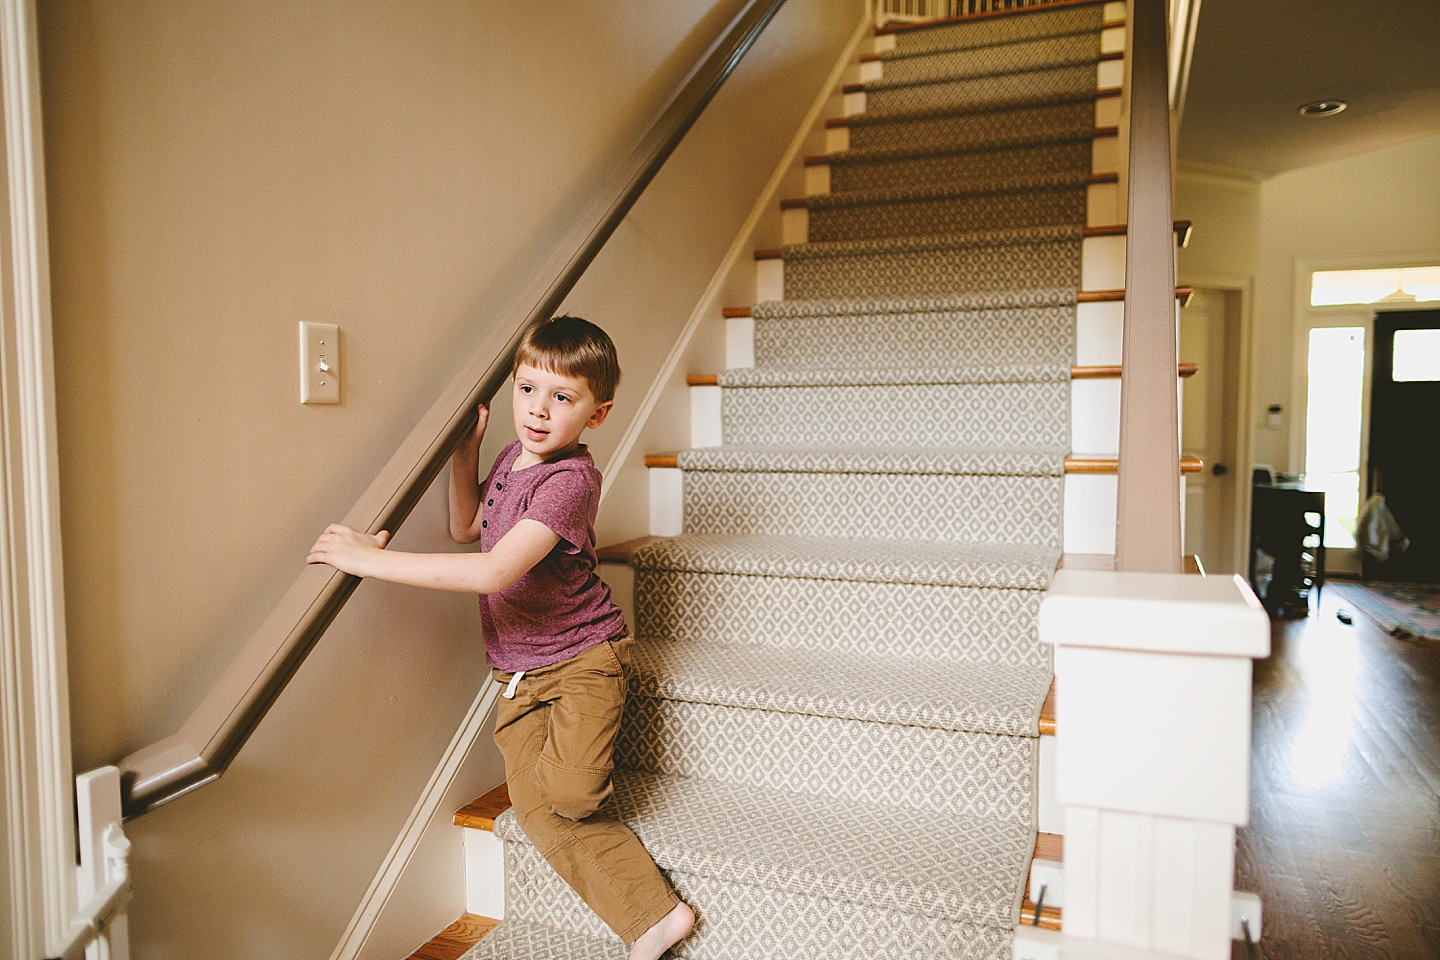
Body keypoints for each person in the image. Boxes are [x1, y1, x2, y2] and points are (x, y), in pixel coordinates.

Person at [308, 316, 694, 960]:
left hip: (584, 661)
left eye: (562, 398)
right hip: (516, 672)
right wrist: (467, 454)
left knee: (570, 796)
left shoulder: (571, 482)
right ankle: (655, 917)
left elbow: (493, 569)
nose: (538, 411)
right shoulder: (515, 459)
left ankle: (592, 788)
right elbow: (468, 528)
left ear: (597, 415)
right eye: (527, 389)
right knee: (536, 811)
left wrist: (368, 560)